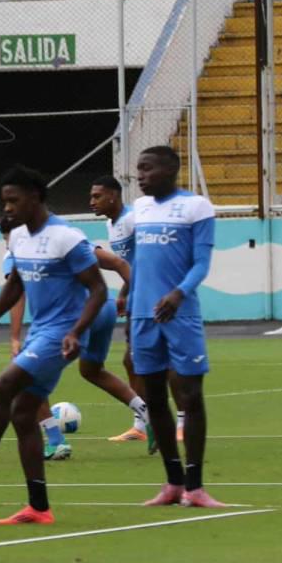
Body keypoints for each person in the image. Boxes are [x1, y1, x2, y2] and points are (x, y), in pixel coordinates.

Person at [0, 166, 107, 525]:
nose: (8, 208)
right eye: (4, 201)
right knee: (22, 414)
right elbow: (15, 286)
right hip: (41, 332)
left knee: (2, 386)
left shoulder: (67, 238)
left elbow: (98, 289)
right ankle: (38, 507)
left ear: (36, 197)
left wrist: (77, 331)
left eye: (13, 201)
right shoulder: (18, 237)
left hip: (63, 333)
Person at [0, 214, 149, 460]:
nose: (7, 245)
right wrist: (140, 303)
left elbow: (16, 293)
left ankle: (56, 442)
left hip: (71, 321)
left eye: (6, 239)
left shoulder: (18, 252)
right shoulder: (67, 239)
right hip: (105, 308)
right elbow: (119, 263)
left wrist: (14, 337)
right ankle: (146, 414)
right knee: (92, 370)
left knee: (26, 376)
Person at [130, 147, 224, 507]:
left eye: (147, 168)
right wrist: (132, 303)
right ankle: (173, 483)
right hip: (143, 316)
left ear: (171, 170)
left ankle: (196, 486)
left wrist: (178, 294)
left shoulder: (196, 207)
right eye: (138, 169)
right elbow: (139, 263)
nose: (140, 176)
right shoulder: (138, 210)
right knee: (154, 398)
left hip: (179, 315)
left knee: (190, 397)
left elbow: (201, 263)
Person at [90, 175, 186, 447]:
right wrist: (124, 294)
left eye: (97, 196)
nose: (92, 202)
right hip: (138, 295)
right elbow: (130, 264)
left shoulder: (133, 219)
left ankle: (180, 421)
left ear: (112, 196)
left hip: (154, 295)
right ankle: (141, 423)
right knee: (132, 361)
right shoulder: (112, 223)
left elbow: (149, 257)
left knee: (160, 358)